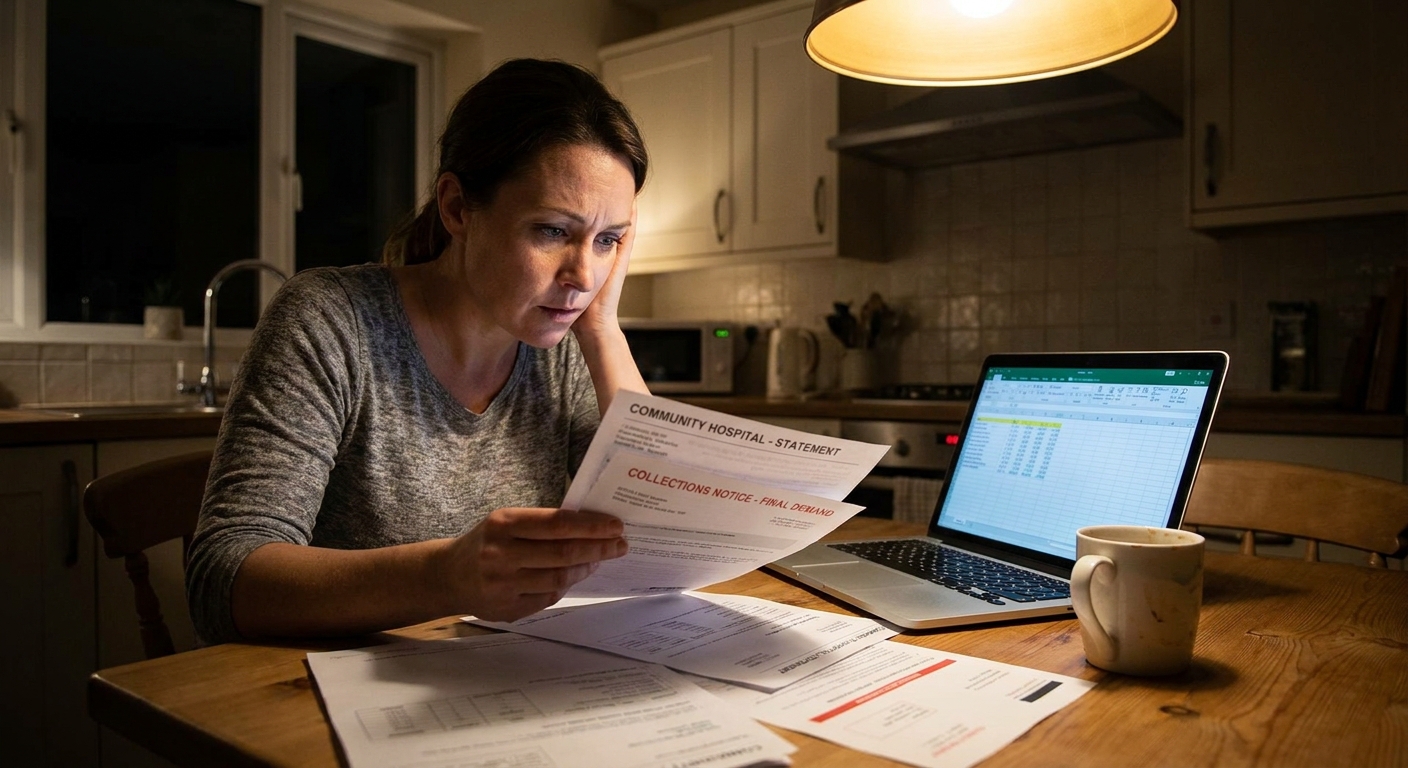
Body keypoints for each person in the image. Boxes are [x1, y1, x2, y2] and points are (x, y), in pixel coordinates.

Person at [186, 59, 650, 645]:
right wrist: (445, 575)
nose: (584, 274)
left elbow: (657, 533)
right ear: (457, 208)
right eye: (552, 231)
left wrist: (604, 328)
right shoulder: (332, 320)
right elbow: (223, 581)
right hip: (336, 697)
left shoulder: (565, 348)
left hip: (513, 677)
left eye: (608, 240)